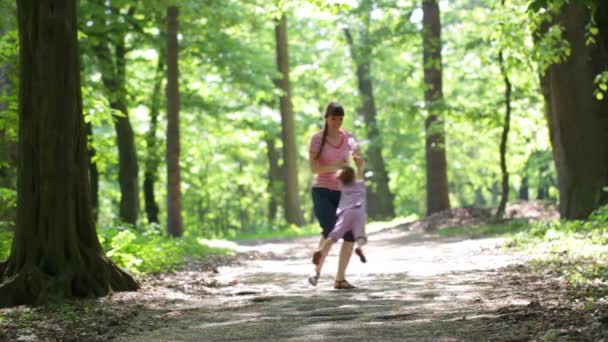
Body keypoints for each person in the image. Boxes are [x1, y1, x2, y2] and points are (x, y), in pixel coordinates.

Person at [308, 102, 363, 290]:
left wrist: (358, 163)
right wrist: (335, 167)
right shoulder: (317, 139)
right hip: (322, 191)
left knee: (349, 234)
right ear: (326, 118)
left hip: (343, 191)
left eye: (340, 119)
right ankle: (315, 272)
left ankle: (340, 279)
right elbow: (313, 168)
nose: (337, 122)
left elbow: (357, 157)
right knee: (330, 229)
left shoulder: (348, 137)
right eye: (333, 118)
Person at [313, 160, 368, 280]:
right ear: (353, 177)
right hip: (358, 213)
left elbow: (339, 180)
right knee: (359, 237)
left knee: (332, 237)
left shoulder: (342, 187)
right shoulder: (360, 185)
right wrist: (360, 167)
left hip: (345, 214)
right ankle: (359, 247)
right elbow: (359, 175)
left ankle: (320, 250)